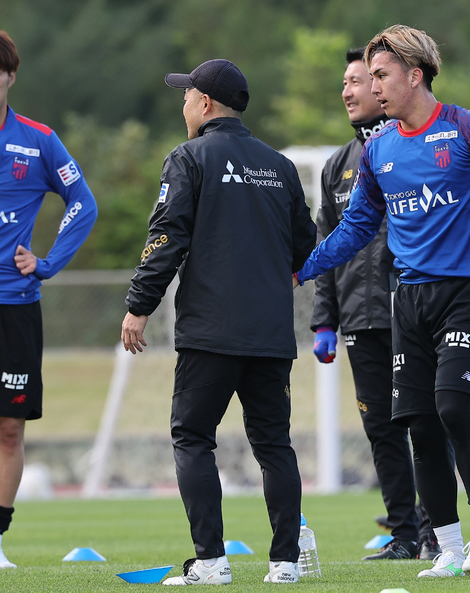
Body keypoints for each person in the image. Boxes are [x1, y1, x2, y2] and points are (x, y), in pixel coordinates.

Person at [294, 25, 470, 578]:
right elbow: (354, 229)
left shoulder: (468, 127)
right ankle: (446, 547)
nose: (372, 86)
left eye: (381, 75)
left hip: (469, 291)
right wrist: (301, 269)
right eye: (370, 76)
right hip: (409, 299)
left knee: (452, 409)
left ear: (415, 75)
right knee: (419, 423)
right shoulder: (378, 150)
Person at [121, 59, 317, 585]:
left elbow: (165, 238)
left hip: (210, 332)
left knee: (192, 437)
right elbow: (306, 246)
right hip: (271, 335)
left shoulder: (188, 158)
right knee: (274, 445)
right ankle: (284, 564)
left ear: (205, 103)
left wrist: (139, 305)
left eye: (187, 96)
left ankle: (211, 561)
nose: (184, 103)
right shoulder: (280, 166)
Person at [0, 28, 97, 569]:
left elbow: (82, 203)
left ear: (11, 76)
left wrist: (48, 262)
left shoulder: (39, 140)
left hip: (13, 305)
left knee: (8, 428)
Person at [311, 48, 431, 560]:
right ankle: (404, 535)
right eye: (345, 82)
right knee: (381, 430)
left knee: (425, 423)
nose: (348, 91)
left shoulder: (411, 148)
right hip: (359, 322)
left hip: (412, 312)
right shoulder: (336, 166)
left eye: (358, 81)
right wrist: (325, 320)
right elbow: (326, 245)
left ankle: (437, 532)